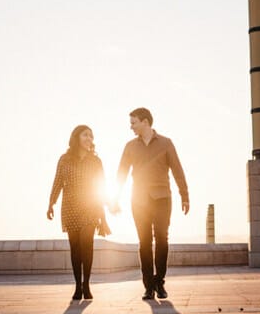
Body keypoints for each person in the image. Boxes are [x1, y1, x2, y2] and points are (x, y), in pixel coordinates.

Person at [116, 107, 189, 300]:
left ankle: (159, 282)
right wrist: (114, 197)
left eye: (133, 122)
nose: (131, 127)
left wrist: (184, 195)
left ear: (145, 122)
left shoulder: (166, 143)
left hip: (162, 198)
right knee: (145, 242)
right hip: (139, 200)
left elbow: (177, 170)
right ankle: (148, 286)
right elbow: (121, 173)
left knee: (162, 239)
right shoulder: (130, 146)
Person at [47, 124, 109, 301]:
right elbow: (58, 181)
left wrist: (104, 213)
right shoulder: (64, 159)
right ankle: (77, 286)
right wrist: (51, 203)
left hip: (90, 206)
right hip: (70, 207)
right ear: (76, 138)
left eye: (91, 136)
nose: (89, 138)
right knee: (75, 248)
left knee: (86, 244)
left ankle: (86, 284)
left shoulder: (96, 161)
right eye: (85, 135)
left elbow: (101, 186)